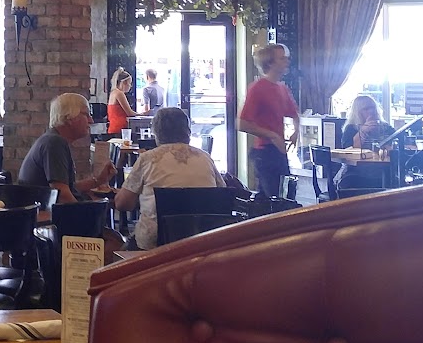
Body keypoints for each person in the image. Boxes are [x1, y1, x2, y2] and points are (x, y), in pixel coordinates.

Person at [113, 105, 224, 249]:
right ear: (188, 131)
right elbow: (220, 194)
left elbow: (123, 204)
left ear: (156, 133)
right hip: (201, 240)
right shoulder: (205, 158)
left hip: (155, 244)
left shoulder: (148, 159)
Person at [18, 91, 116, 204]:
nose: (91, 121)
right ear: (69, 117)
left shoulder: (52, 139)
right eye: (86, 114)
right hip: (45, 213)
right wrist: (86, 212)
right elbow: (62, 195)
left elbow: (68, 187)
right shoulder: (54, 143)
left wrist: (98, 181)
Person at [237, 41, 300, 198]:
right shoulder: (257, 88)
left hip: (279, 150)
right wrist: (272, 135)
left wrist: (296, 131)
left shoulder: (282, 89)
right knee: (276, 198)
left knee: (283, 196)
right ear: (270, 63)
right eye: (282, 58)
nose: (287, 61)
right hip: (265, 151)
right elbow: (242, 123)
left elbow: (294, 114)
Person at [337, 93, 395, 195]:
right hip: (356, 173)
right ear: (358, 112)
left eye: (373, 108)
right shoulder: (351, 128)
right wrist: (363, 130)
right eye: (366, 109)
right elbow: (348, 150)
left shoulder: (386, 127)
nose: (371, 111)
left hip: (383, 171)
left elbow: (396, 143)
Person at [107, 67, 134, 138]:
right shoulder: (120, 94)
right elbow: (130, 113)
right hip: (120, 128)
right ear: (124, 83)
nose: (130, 86)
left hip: (113, 127)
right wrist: (144, 114)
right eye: (129, 83)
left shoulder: (113, 93)